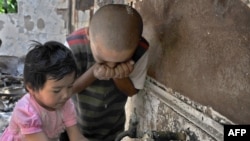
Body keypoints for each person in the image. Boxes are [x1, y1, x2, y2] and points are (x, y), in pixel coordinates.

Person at [63, 4, 149, 141]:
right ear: (88, 33)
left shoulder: (140, 50)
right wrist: (93, 73)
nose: (111, 66)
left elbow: (132, 91)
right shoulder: (72, 48)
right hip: (73, 128)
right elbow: (64, 91)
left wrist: (119, 77)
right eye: (103, 59)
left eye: (120, 61)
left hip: (112, 129)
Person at [0, 41, 89, 141]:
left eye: (70, 87)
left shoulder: (65, 104)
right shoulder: (26, 111)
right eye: (56, 90)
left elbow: (76, 137)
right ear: (31, 88)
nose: (65, 95)